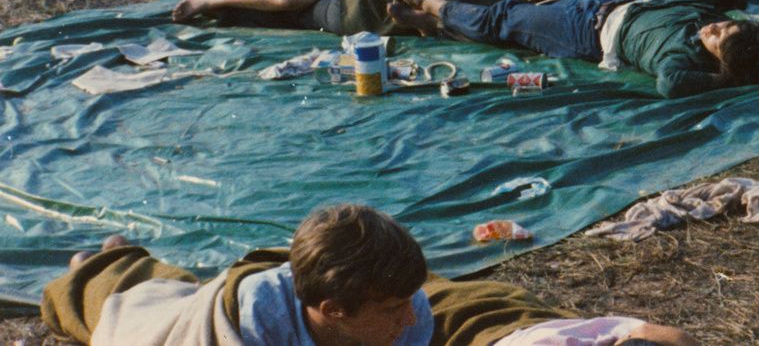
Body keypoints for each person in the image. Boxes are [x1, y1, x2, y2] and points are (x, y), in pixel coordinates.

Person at [42, 203, 696, 346]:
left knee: (467, 307)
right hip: (191, 318)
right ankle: (108, 256)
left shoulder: (400, 318)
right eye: (391, 310)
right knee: (124, 299)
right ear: (333, 311)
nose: (409, 320)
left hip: (305, 279)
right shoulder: (234, 337)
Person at [387, 0, 759, 101]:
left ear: (717, 60)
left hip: (584, 32)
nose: (715, 26)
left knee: (504, 18)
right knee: (518, 15)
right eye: (726, 25)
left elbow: (672, 86)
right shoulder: (750, 41)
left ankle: (432, 3)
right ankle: (440, 26)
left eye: (718, 37)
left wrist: (732, 79)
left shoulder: (679, 58)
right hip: (606, 3)